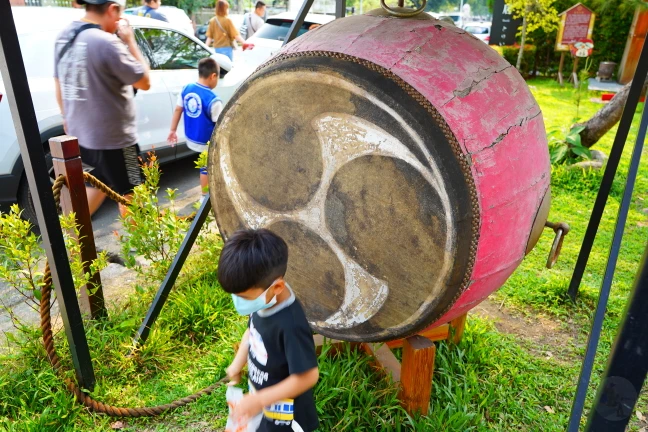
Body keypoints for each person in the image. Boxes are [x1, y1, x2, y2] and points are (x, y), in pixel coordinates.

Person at [54, 0, 151, 217]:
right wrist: (130, 41)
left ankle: (73, 246)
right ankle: (144, 248)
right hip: (117, 140)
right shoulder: (106, 42)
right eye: (119, 13)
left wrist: (66, 117)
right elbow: (144, 81)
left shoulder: (64, 37)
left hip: (82, 136)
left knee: (95, 187)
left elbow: (59, 85)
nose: (119, 20)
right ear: (111, 9)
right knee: (132, 195)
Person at [219, 229, 319, 432]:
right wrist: (238, 362)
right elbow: (252, 332)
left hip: (286, 415)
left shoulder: (290, 324)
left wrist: (259, 400)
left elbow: (308, 376)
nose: (238, 303)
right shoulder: (263, 301)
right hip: (262, 401)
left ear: (277, 287)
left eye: (244, 297)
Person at [167, 58, 222, 201]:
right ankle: (204, 197)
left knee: (203, 165)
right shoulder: (213, 100)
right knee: (205, 168)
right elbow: (220, 127)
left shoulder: (186, 89)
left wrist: (172, 130)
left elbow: (178, 109)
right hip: (205, 142)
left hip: (191, 138)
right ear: (213, 76)